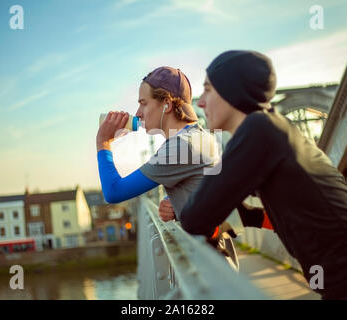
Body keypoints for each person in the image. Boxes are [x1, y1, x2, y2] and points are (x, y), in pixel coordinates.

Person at [159, 50, 347, 300]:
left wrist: (186, 206)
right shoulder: (271, 127)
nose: (201, 102)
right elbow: (260, 205)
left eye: (208, 90)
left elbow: (196, 218)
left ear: (231, 91)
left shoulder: (258, 130)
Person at [95, 66, 239, 268]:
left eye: (143, 104)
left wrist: (103, 143)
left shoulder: (180, 147)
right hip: (217, 262)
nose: (138, 113)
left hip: (209, 269)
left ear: (166, 104)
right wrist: (178, 202)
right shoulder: (200, 136)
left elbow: (113, 192)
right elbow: (204, 185)